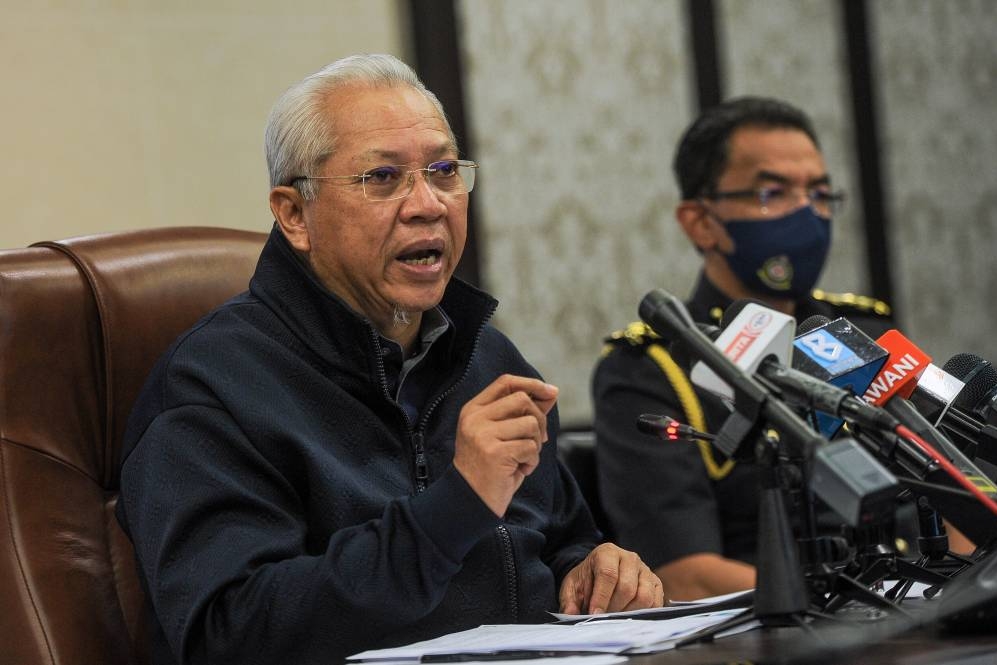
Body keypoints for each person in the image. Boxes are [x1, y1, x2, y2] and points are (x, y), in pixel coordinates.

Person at [117, 54, 662, 665]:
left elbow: (557, 539)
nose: (428, 203)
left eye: (444, 171)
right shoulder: (212, 384)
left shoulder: (486, 355)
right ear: (294, 214)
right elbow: (230, 633)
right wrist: (456, 506)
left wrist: (597, 567)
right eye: (382, 178)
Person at [592, 96, 896, 602]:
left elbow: (953, 491)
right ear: (700, 222)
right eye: (772, 193)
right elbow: (684, 573)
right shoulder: (653, 368)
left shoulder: (864, 330)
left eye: (820, 193)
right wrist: (860, 602)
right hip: (783, 630)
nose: (807, 212)